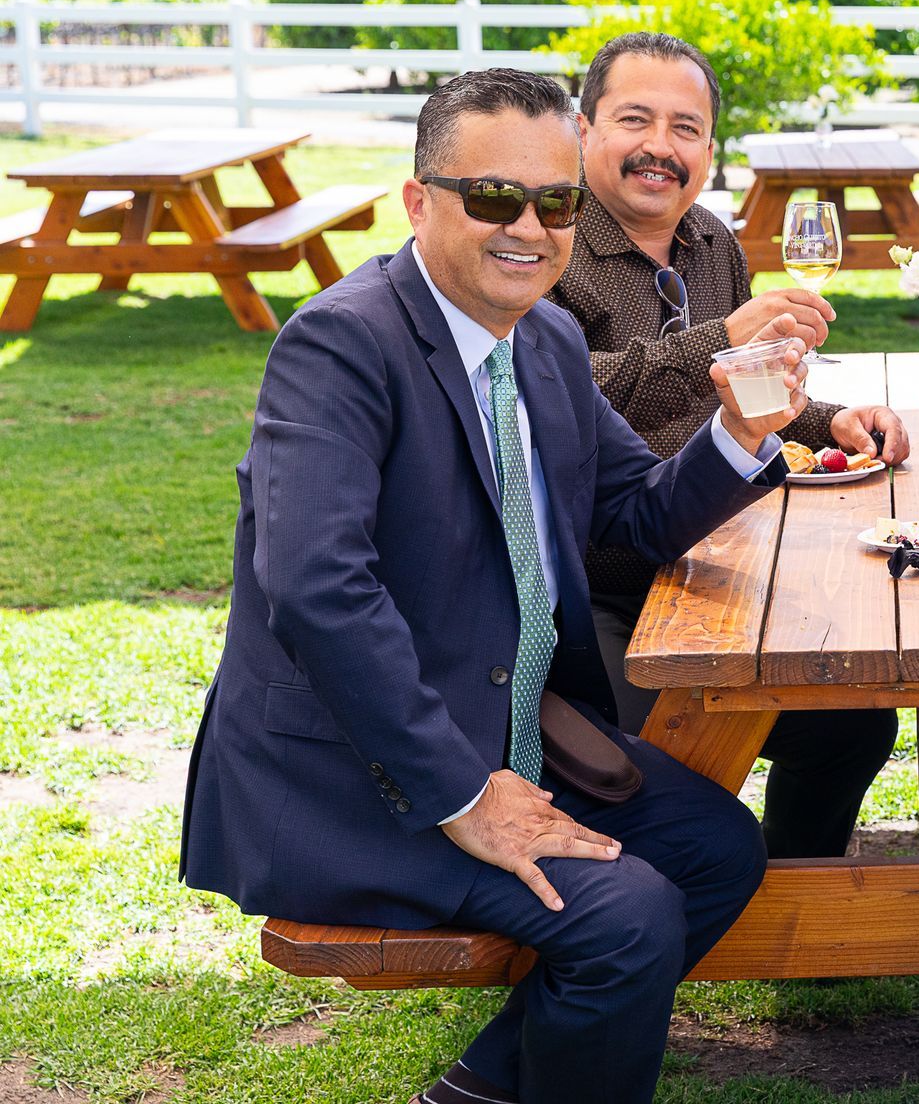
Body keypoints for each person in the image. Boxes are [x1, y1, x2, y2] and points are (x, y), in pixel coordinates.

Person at [180, 68, 810, 1104]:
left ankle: (481, 1087)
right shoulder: (340, 343)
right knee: (628, 916)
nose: (529, 225)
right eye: (492, 197)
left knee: (716, 847)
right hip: (363, 781)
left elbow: (632, 514)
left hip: (509, 740)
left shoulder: (549, 340)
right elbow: (317, 587)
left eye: (555, 200)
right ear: (419, 201)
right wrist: (467, 796)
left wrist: (740, 435)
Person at [547, 31, 901, 859]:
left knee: (854, 716)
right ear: (584, 129)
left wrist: (829, 421)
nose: (660, 148)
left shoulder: (711, 240)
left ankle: (791, 910)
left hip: (725, 570)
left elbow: (750, 389)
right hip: (602, 587)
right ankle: (662, 901)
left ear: (710, 147)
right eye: (636, 120)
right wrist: (715, 343)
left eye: (686, 128)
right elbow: (557, 394)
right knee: (658, 758)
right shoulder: (552, 243)